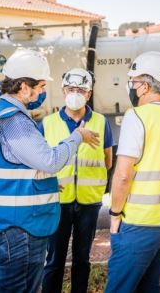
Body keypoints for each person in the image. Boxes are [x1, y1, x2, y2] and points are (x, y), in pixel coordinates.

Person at [0, 49, 100, 292]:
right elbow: (49, 161)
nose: (42, 92)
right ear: (23, 86)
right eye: (40, 86)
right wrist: (77, 137)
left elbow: (13, 167)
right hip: (19, 228)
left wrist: (48, 185)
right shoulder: (15, 121)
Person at [105, 51, 160, 293]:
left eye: (133, 81)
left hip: (139, 221)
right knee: (149, 287)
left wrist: (114, 214)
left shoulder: (137, 116)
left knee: (119, 287)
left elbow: (123, 175)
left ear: (144, 86)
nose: (131, 87)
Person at [42, 68, 114, 293]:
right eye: (71, 88)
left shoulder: (101, 122)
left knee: (82, 260)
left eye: (81, 89)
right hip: (57, 202)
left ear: (89, 93)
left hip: (89, 204)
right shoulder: (47, 123)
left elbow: (107, 161)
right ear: (63, 90)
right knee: (54, 261)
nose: (76, 93)